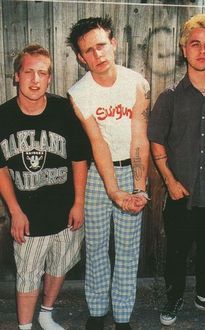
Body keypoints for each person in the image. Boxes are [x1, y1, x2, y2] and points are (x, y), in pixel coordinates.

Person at [148, 12, 205, 326]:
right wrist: (169, 180)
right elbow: (156, 142)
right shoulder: (169, 98)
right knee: (177, 251)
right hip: (179, 191)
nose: (202, 50)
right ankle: (173, 299)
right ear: (184, 49)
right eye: (195, 44)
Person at [67, 16, 150, 330]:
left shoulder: (137, 83)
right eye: (88, 51)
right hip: (97, 177)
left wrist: (139, 189)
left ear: (113, 44)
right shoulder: (80, 92)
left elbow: (139, 136)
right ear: (80, 57)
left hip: (132, 171)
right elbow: (97, 142)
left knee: (128, 249)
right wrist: (113, 191)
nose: (97, 54)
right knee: (97, 246)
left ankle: (124, 318)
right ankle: (98, 312)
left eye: (101, 45)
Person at [0, 44, 91, 330]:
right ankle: (25, 327)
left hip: (64, 212)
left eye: (42, 73)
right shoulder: (3, 117)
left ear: (49, 78)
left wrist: (79, 202)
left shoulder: (64, 110)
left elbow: (78, 159)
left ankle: (46, 314)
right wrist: (14, 210)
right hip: (27, 215)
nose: (35, 80)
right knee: (27, 274)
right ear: (16, 76)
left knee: (59, 265)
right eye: (29, 72)